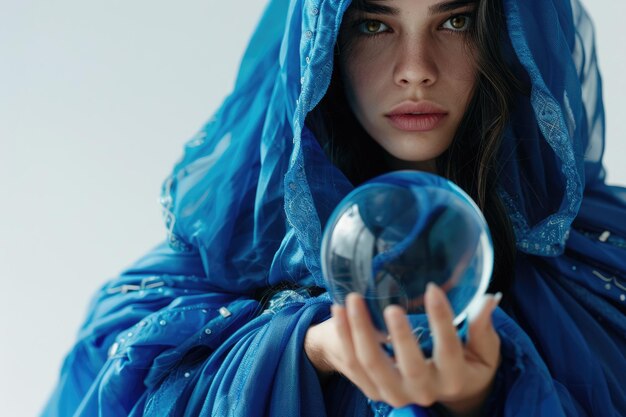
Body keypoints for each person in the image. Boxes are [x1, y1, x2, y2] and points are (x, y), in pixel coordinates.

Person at [42, 0, 625, 416]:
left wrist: (484, 396)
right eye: (375, 23)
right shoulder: (221, 260)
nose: (416, 67)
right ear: (322, 42)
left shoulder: (603, 268)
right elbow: (121, 388)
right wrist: (308, 349)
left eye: (455, 20)